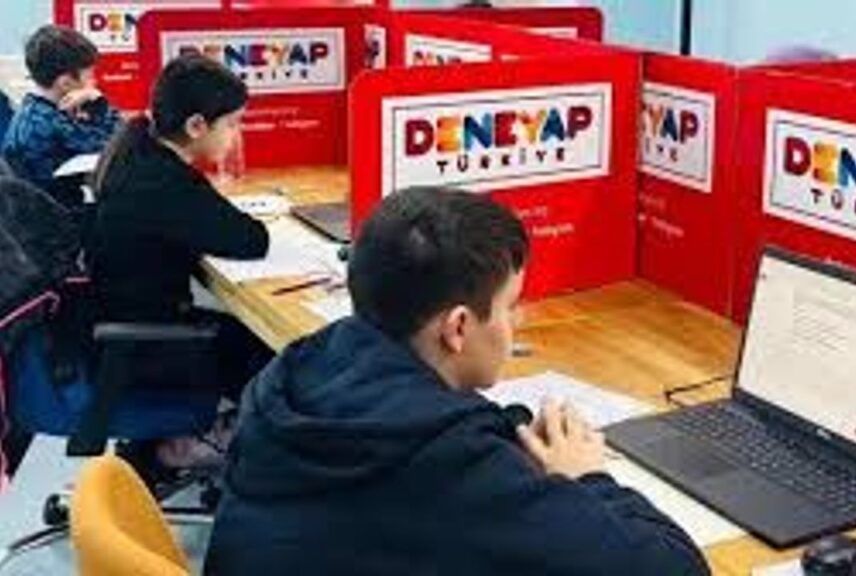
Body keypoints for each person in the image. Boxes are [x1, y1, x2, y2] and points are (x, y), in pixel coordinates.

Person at [204, 187, 711, 575]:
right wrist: (585, 478)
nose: (518, 323)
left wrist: (503, 440)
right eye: (511, 307)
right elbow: (676, 568)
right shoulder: (447, 462)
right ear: (458, 328)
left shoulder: (298, 373)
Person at [90, 54, 271, 417]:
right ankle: (218, 438)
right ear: (196, 125)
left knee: (244, 334)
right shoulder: (164, 182)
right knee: (279, 358)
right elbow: (252, 240)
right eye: (232, 124)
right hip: (151, 347)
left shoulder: (137, 149)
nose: (236, 136)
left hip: (128, 325)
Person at [2, 25, 120, 201]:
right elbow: (118, 148)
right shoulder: (47, 124)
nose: (94, 83)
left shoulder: (38, 113)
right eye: (89, 76)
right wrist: (98, 103)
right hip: (59, 215)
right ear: (65, 83)